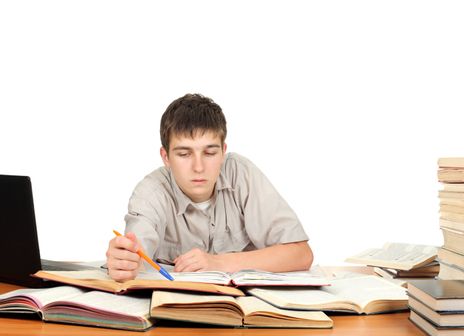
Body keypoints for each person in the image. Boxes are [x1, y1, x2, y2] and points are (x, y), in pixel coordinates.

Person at [106, 93, 313, 282]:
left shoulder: (242, 174)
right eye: (184, 154)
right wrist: (124, 261)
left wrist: (218, 263)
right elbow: (136, 252)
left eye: (210, 153)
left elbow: (301, 254)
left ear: (223, 152)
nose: (198, 167)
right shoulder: (150, 192)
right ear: (165, 157)